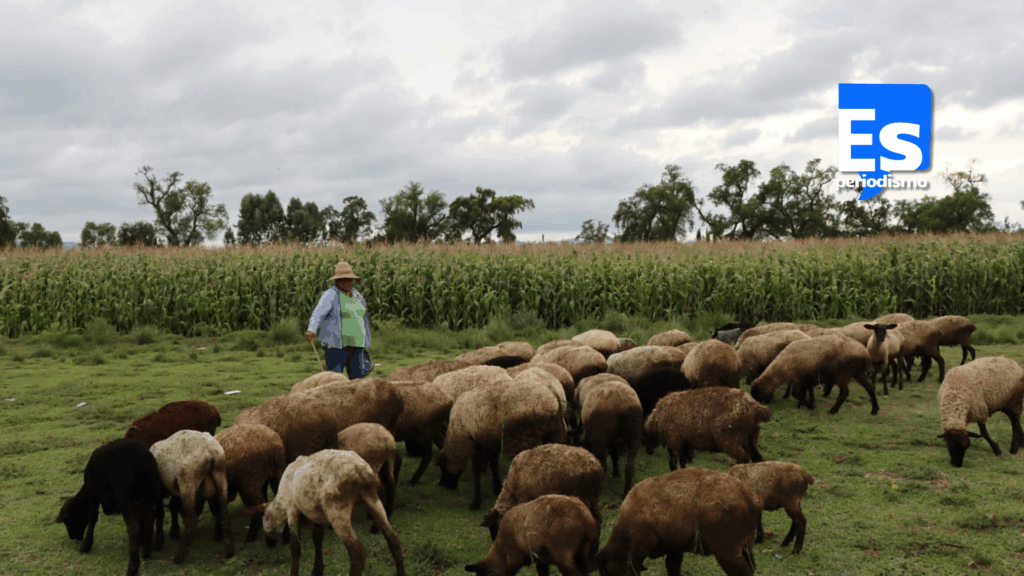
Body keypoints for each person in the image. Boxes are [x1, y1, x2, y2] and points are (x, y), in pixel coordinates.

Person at [305, 261, 373, 378]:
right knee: (335, 380)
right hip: (336, 346)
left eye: (348, 279)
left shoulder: (357, 296)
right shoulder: (330, 295)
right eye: (342, 279)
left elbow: (362, 317)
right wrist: (312, 330)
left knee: (358, 381)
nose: (345, 282)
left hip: (357, 345)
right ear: (336, 281)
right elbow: (318, 313)